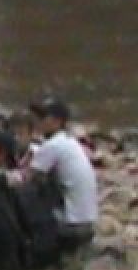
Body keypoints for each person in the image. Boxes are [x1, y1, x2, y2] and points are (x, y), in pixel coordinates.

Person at [26, 96, 98, 254]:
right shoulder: (70, 142)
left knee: (22, 198)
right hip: (87, 222)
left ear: (58, 121)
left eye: (43, 117)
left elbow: (26, 180)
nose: (38, 121)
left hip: (70, 227)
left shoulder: (52, 146)